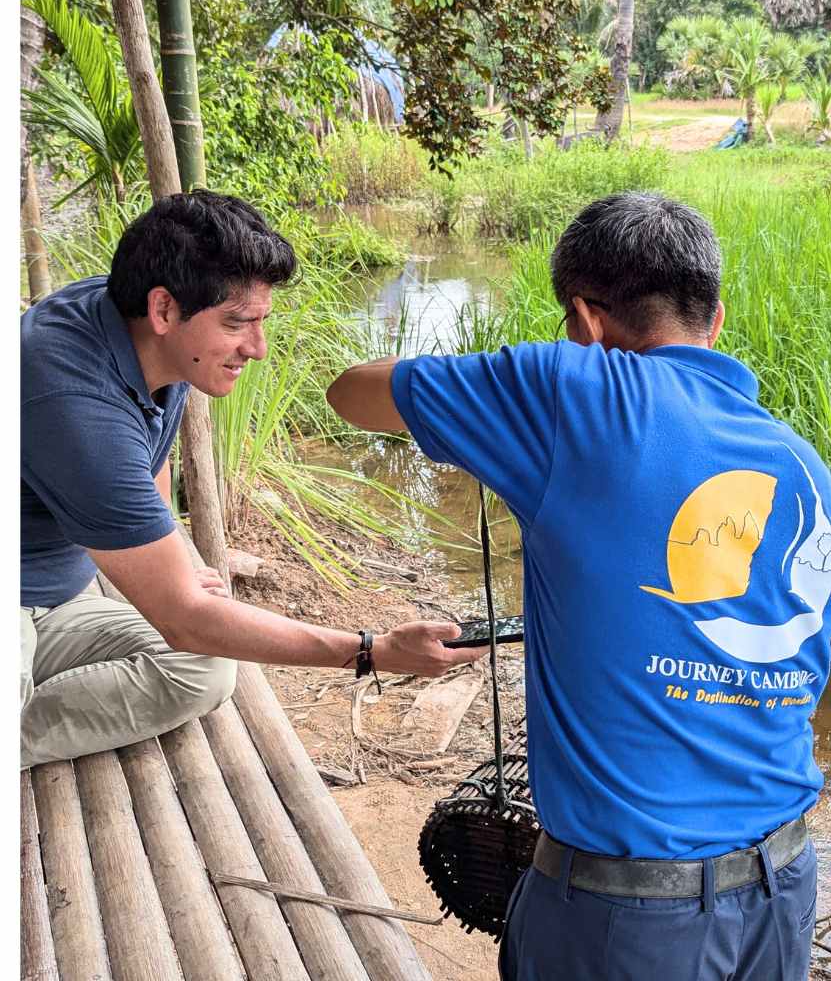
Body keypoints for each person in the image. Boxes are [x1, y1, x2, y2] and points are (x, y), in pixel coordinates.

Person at [327, 191, 831, 981]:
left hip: (629, 922)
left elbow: (353, 393)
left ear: (586, 319)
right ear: (715, 318)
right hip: (783, 890)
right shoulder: (804, 467)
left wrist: (525, 372)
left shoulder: (572, 388)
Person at [21, 190, 484, 771]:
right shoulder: (73, 401)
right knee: (195, 630)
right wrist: (373, 651)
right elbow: (187, 618)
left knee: (204, 669)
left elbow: (145, 452)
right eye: (237, 324)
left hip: (54, 596)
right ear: (163, 309)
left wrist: (180, 565)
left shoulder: (140, 330)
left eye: (261, 322)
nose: (257, 348)